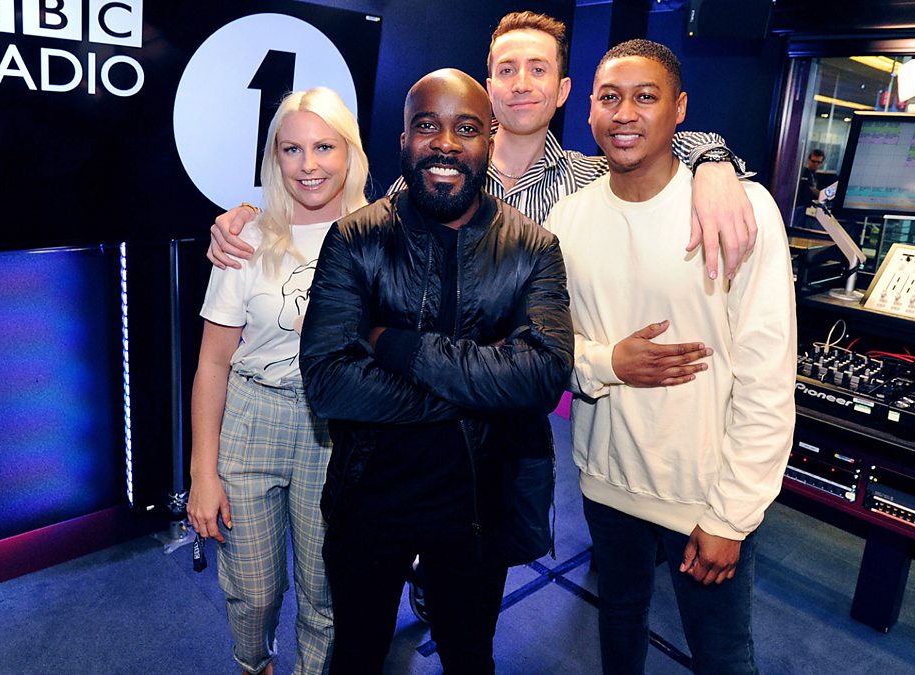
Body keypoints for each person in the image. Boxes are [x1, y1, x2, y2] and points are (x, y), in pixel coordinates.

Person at [297, 68, 573, 674]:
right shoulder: (355, 240)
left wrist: (399, 348)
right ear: (403, 140)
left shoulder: (533, 248)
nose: (446, 143)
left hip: (478, 507)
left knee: (470, 659)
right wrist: (484, 385)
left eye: (466, 129)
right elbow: (328, 381)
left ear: (489, 141)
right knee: (356, 656)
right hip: (370, 500)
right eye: (428, 126)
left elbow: (543, 375)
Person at [544, 40, 796, 674]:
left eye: (645, 97)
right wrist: (607, 362)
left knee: (722, 655)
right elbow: (546, 346)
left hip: (703, 496)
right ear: (590, 109)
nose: (625, 113)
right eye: (610, 98)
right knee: (618, 622)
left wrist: (732, 515)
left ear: (679, 109)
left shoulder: (742, 211)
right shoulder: (566, 219)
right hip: (605, 482)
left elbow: (767, 378)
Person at [207, 11, 758, 282]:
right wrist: (254, 215)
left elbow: (651, 148)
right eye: (508, 70)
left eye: (538, 69)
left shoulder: (591, 181)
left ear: (564, 91)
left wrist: (713, 160)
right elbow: (355, 223)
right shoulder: (437, 175)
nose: (522, 84)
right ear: (488, 89)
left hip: (533, 409)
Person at [186, 87, 369, 675]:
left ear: (350, 151)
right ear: (275, 157)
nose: (308, 164)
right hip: (253, 418)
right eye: (292, 149)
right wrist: (202, 473)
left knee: (325, 591)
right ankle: (253, 664)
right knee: (254, 590)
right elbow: (213, 363)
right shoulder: (245, 239)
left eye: (324, 147)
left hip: (337, 427)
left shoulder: (380, 234)